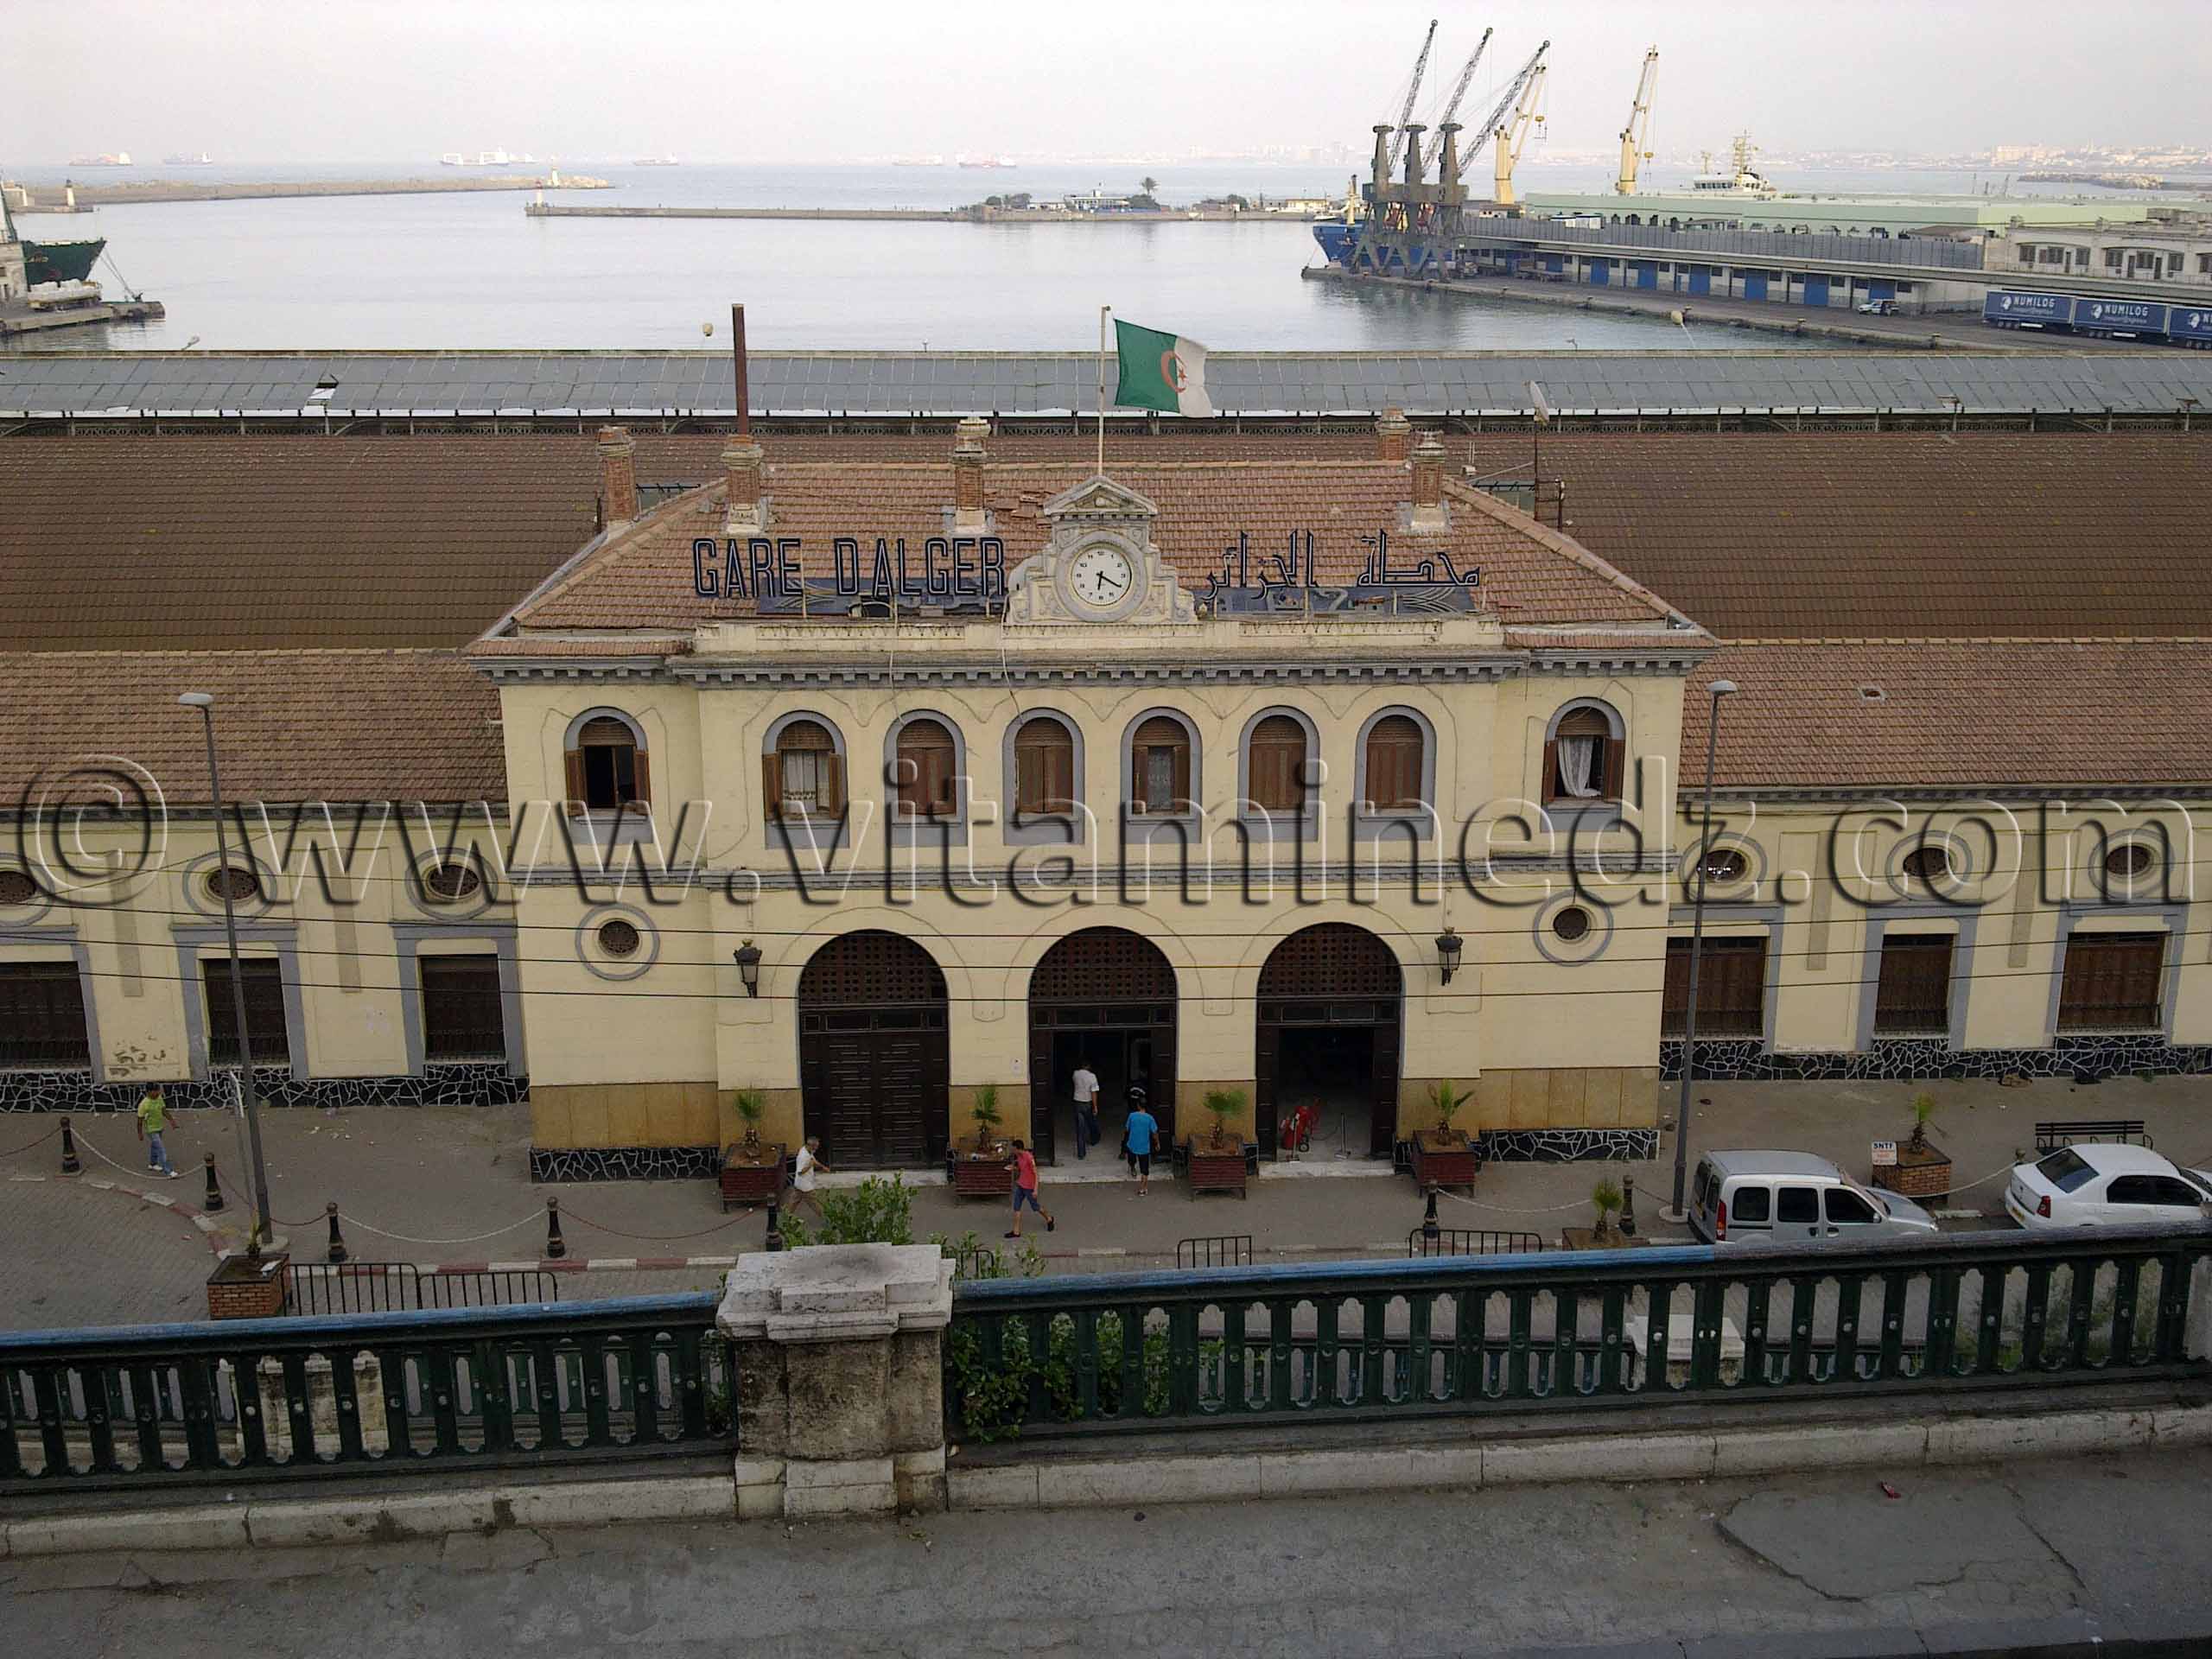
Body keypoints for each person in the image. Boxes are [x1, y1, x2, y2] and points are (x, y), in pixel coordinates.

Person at [1003, 1138, 1054, 1239]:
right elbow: (1021, 1168)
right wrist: (1013, 1167)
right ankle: (1016, 1231)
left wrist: (1035, 1189)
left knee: (1036, 1207)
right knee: (1017, 1207)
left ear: (1018, 1149)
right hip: (1021, 1184)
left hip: (1029, 1187)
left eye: (1013, 1149)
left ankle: (1049, 1219)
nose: (1012, 1151)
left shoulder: (1029, 1157)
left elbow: (1036, 1174)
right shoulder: (1018, 1156)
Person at [136, 1082, 179, 1179]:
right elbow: (139, 1121)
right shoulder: (144, 1105)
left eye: (158, 1090)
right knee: (161, 1149)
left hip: (159, 1127)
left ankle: (153, 1164)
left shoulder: (159, 1098)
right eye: (155, 1091)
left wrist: (172, 1120)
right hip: (151, 1130)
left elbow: (164, 1110)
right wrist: (140, 1134)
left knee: (154, 1146)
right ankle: (169, 1171)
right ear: (148, 1092)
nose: (158, 1092)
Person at [1122, 1098, 1160, 1197]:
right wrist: (1157, 1143)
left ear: (1138, 1105)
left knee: (1132, 1160)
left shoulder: (1132, 1116)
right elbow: (1155, 1133)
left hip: (1132, 1145)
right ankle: (1143, 1189)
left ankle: (1133, 1168)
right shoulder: (1150, 1118)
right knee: (1144, 1170)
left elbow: (1127, 1129)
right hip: (1144, 1148)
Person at [787, 1136, 828, 1222]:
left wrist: (823, 1167)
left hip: (799, 1184)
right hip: (805, 1186)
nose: (817, 1149)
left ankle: (786, 1218)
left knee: (794, 1201)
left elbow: (813, 1160)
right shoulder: (803, 1156)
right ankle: (827, 1219)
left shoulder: (807, 1150)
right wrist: (809, 1165)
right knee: (815, 1203)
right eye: (816, 1147)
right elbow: (800, 1172)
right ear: (811, 1145)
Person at [1071, 1058, 1101, 1159]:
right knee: (1091, 1123)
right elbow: (1094, 1093)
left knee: (1080, 1128)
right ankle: (1094, 1139)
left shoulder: (1075, 1074)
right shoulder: (1092, 1076)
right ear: (1088, 1066)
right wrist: (1095, 1106)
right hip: (1087, 1103)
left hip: (1077, 1103)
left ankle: (1081, 1153)